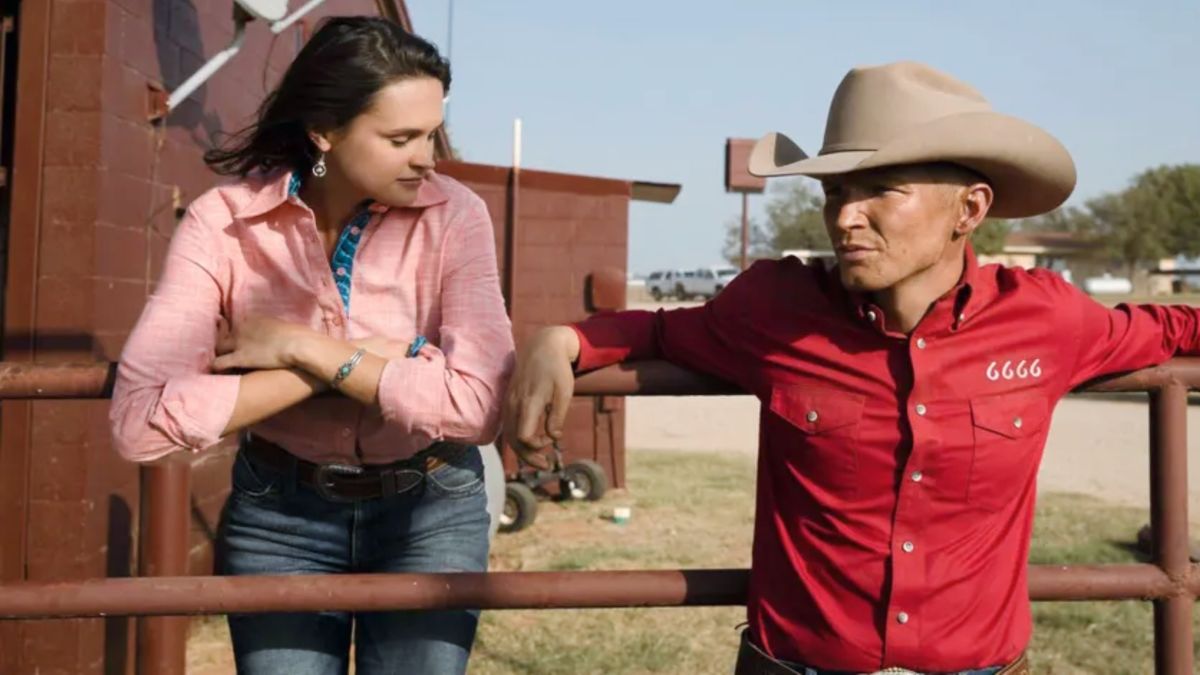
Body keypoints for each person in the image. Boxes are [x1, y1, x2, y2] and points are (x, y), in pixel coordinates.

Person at [504, 61, 1200, 674]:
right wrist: (561, 340)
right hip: (796, 666)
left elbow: (1172, 326)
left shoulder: (1046, 318)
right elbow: (657, 327)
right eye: (835, 192)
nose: (845, 217)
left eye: (880, 190)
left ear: (971, 208)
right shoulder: (775, 307)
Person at [109, 16, 514, 675]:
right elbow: (140, 421)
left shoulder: (456, 215)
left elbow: (478, 405)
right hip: (279, 516)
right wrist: (370, 358)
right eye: (401, 137)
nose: (428, 157)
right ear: (324, 131)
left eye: (432, 132)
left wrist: (302, 346)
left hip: (431, 508)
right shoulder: (226, 223)